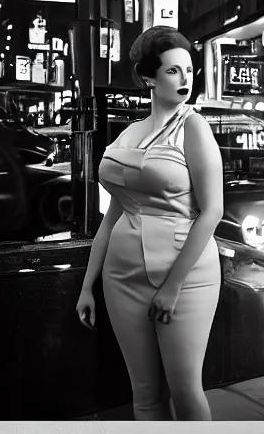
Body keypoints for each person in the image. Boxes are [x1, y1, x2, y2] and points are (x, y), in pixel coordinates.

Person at [75, 26, 223, 421]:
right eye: (174, 71)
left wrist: (172, 287)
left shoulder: (193, 125)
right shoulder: (130, 132)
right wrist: (88, 284)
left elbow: (212, 211)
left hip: (185, 275)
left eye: (189, 70)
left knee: (185, 389)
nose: (186, 79)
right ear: (148, 78)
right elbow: (114, 214)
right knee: (143, 394)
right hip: (121, 277)